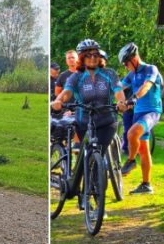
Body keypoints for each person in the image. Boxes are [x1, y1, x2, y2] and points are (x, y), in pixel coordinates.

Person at [50, 39, 123, 207]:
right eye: (88, 54)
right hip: (84, 122)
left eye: (95, 54)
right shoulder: (76, 77)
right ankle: (81, 191)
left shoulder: (109, 74)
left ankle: (94, 198)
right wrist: (59, 101)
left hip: (107, 122)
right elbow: (67, 92)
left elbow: (118, 91)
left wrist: (122, 103)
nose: (92, 57)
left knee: (98, 157)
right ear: (81, 58)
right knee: (87, 154)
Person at [117, 43, 163, 195]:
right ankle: (146, 184)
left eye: (126, 63)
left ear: (134, 58)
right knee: (143, 150)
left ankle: (130, 161)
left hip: (152, 111)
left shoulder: (151, 69)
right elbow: (118, 88)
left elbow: (147, 86)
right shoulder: (131, 75)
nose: (125, 67)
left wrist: (134, 97)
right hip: (138, 112)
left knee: (131, 133)